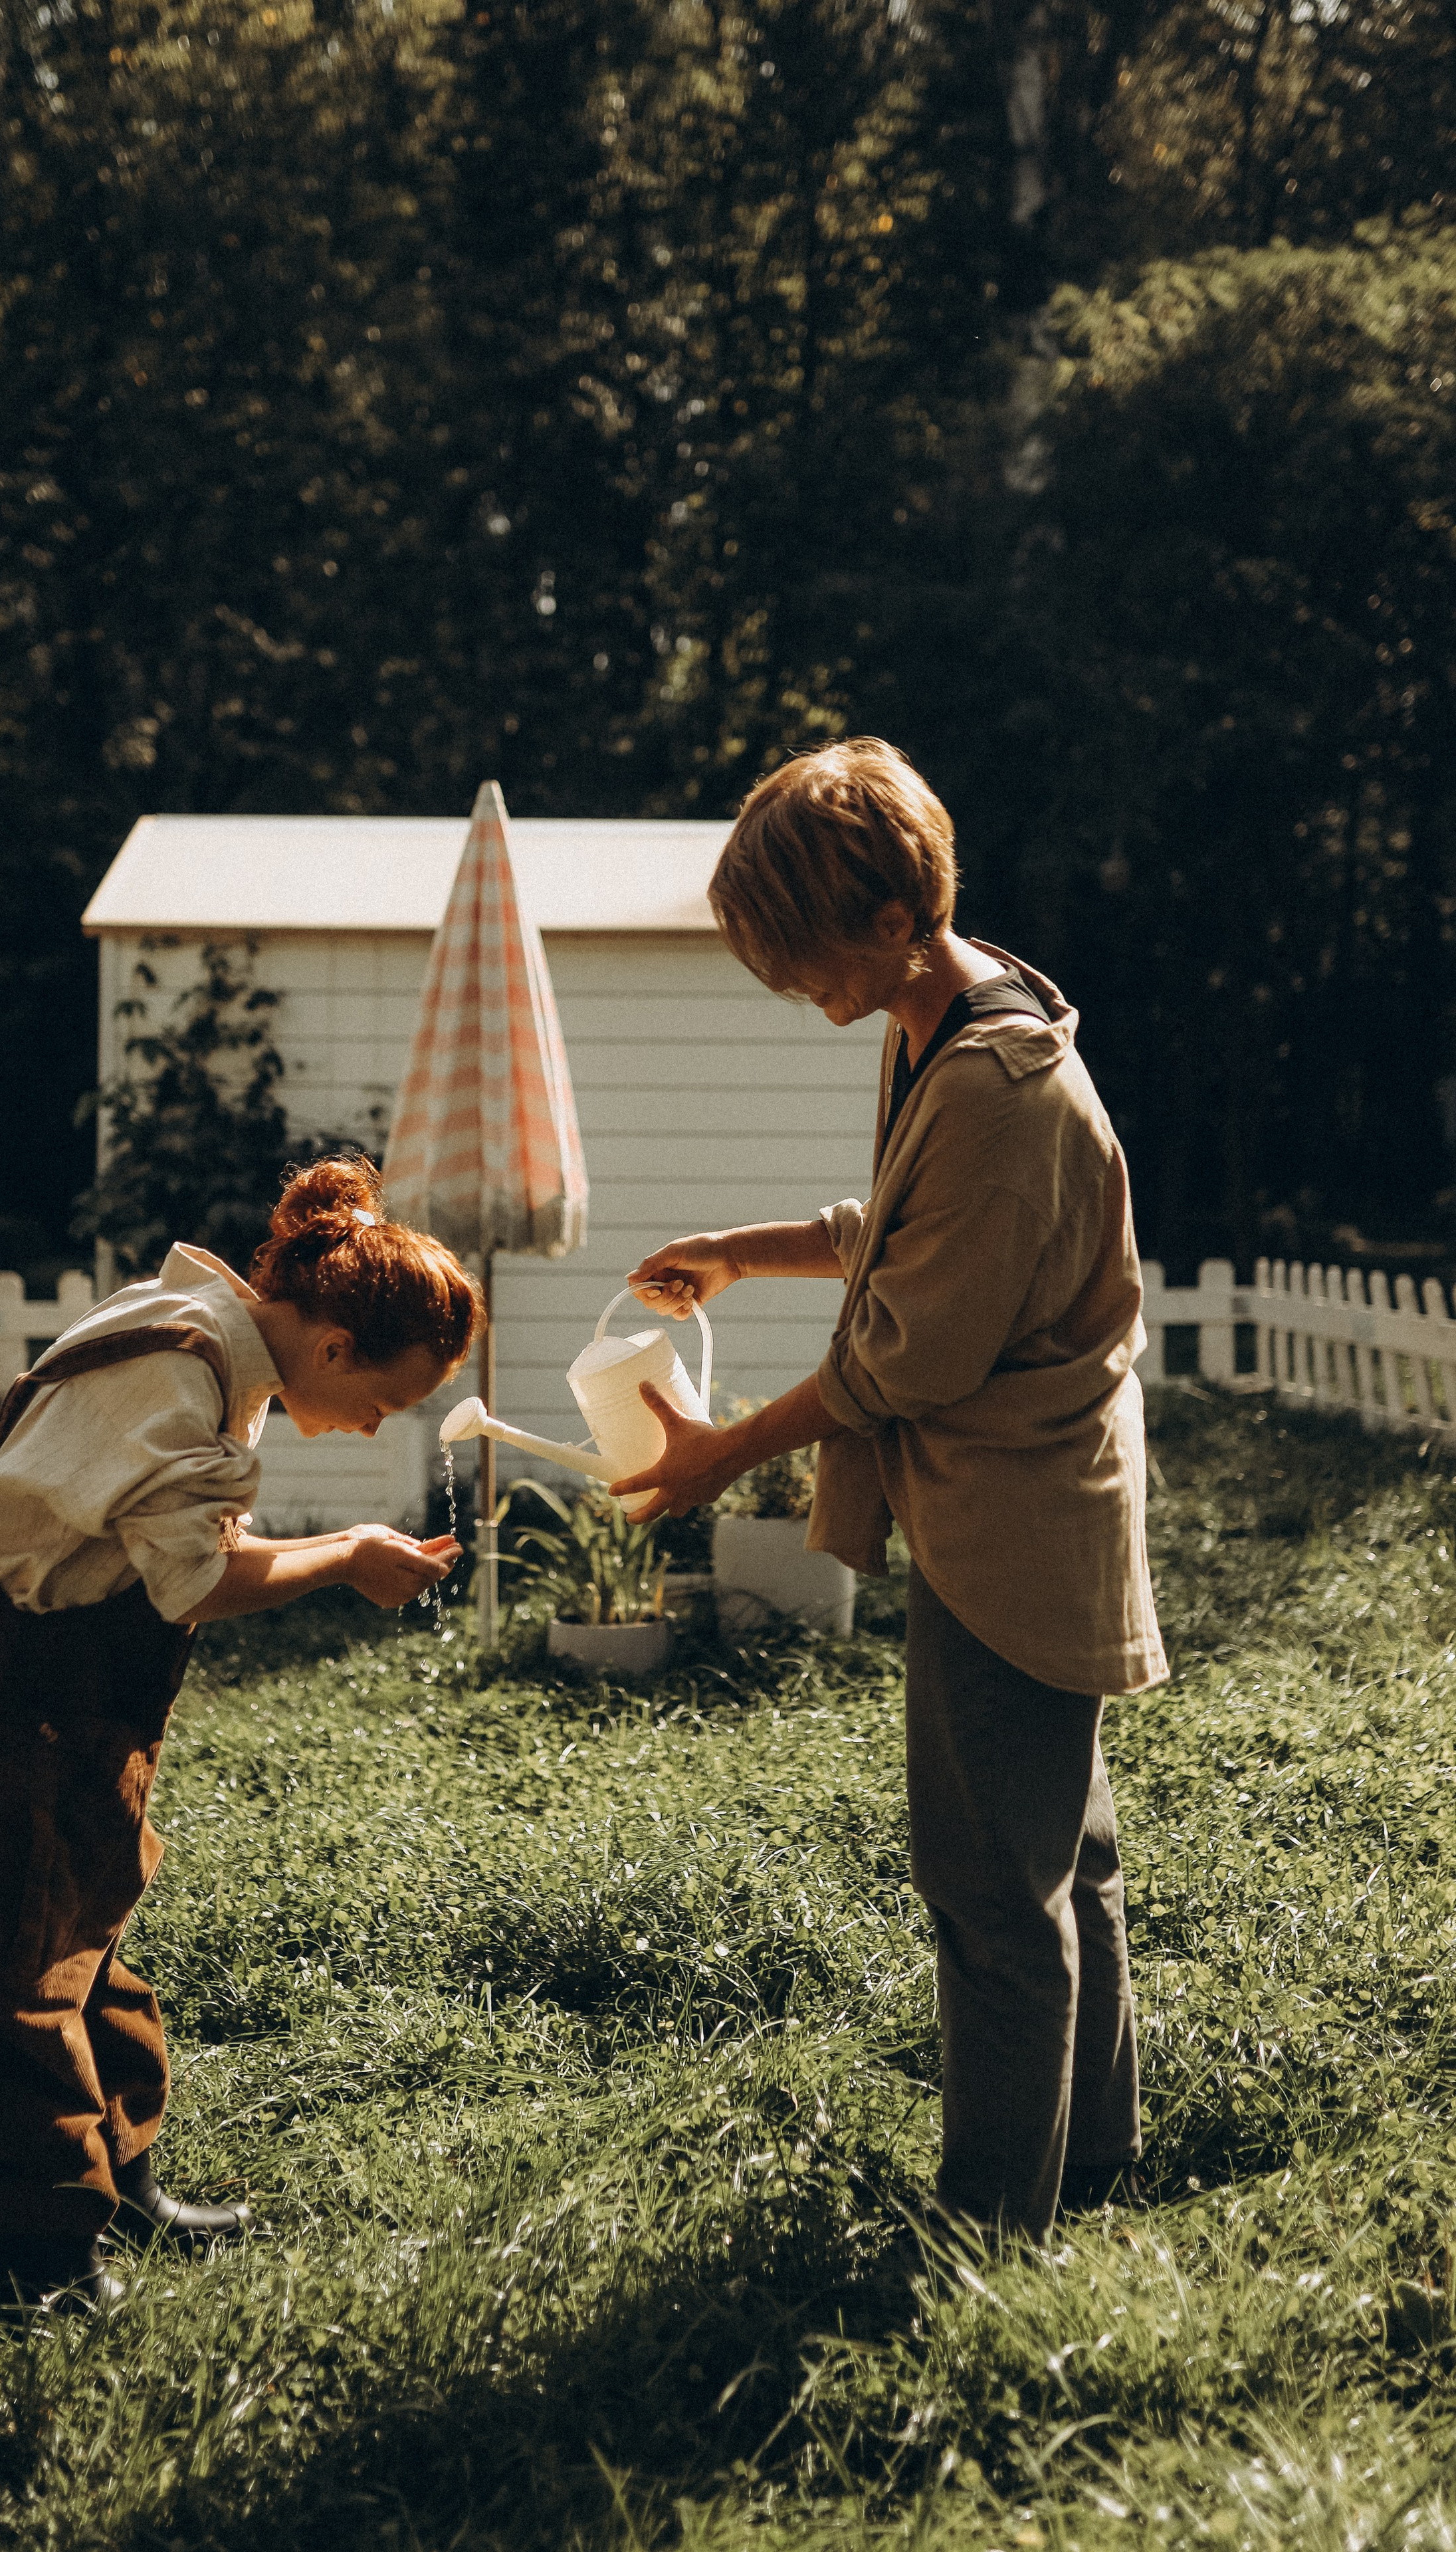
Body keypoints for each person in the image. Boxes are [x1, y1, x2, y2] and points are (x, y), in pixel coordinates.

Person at [617, 738, 1167, 2244]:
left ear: (882, 918)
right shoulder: (951, 1002)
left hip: (1014, 1515)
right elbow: (904, 1229)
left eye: (797, 957)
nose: (791, 987)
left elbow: (906, 1362)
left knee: (989, 1884)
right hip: (1016, 1496)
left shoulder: (996, 1085)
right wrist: (749, 1246)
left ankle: (994, 2224)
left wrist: (713, 1454)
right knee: (1064, 1854)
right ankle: (1096, 2160)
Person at [0, 1154, 478, 2306]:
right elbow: (194, 1580)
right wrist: (349, 1556)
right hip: (2, 1678)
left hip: (69, 1674)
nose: (371, 1429)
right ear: (335, 1346)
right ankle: (47, 2248)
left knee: (87, 1907)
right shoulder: (183, 1374)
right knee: (7, 1951)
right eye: (387, 1402)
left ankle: (127, 2175)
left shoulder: (210, 1322)